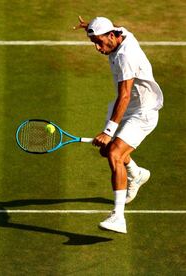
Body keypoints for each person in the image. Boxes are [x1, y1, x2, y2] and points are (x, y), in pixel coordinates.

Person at [74, 16, 163, 233]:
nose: (97, 47)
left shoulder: (126, 56)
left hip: (143, 111)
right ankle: (135, 173)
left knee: (114, 154)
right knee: (107, 151)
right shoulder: (118, 35)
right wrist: (91, 29)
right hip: (126, 106)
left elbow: (124, 96)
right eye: (93, 42)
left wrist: (108, 131)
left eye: (99, 42)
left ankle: (118, 217)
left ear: (112, 36)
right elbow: (122, 99)